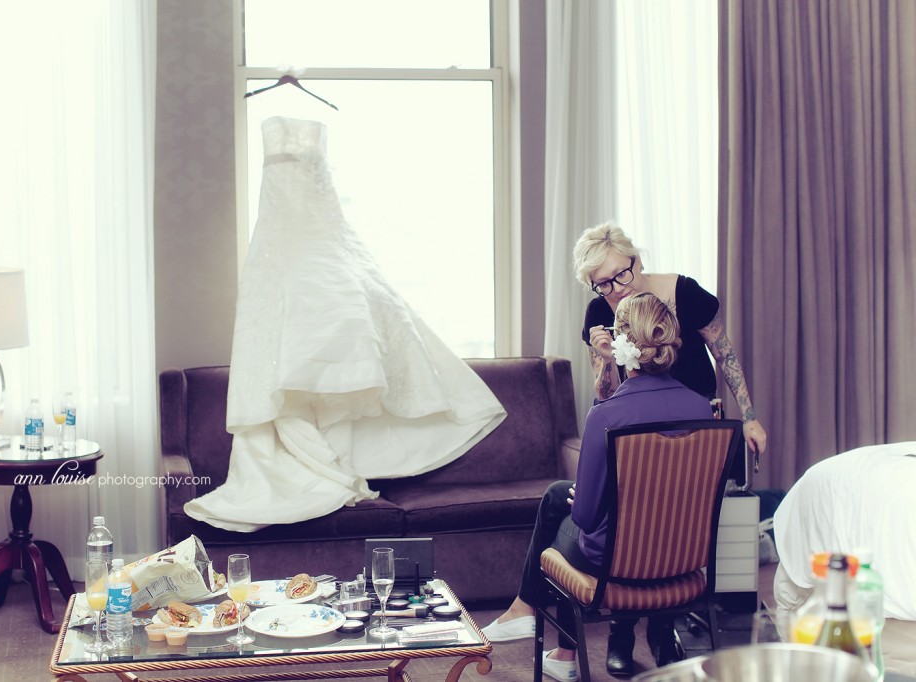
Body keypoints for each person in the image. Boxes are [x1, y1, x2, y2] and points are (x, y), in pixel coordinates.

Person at [184, 116, 506, 532]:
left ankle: (330, 468)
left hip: (325, 262)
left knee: (334, 380)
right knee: (299, 373)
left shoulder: (326, 236)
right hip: (295, 258)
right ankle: (322, 469)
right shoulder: (279, 236)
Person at [481, 292, 715, 680]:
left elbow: (587, 518)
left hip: (615, 564)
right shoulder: (701, 408)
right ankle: (558, 651)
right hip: (684, 560)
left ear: (623, 345)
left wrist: (591, 499)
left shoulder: (607, 415)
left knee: (562, 517)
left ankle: (545, 633)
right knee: (559, 492)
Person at [575, 222, 767, 457]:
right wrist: (607, 361)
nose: (617, 289)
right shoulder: (598, 313)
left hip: (697, 420)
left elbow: (724, 355)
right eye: (604, 283)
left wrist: (749, 418)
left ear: (637, 259)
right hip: (638, 431)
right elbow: (607, 398)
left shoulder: (685, 292)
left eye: (622, 273)